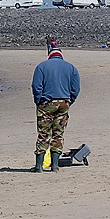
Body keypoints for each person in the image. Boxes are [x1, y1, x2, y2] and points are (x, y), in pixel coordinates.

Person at [31, 39, 80, 172]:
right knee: (58, 133)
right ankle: (55, 166)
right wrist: (70, 101)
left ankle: (39, 166)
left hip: (46, 103)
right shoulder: (71, 68)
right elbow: (75, 88)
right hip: (64, 102)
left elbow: (36, 86)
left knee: (43, 133)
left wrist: (38, 100)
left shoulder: (42, 66)